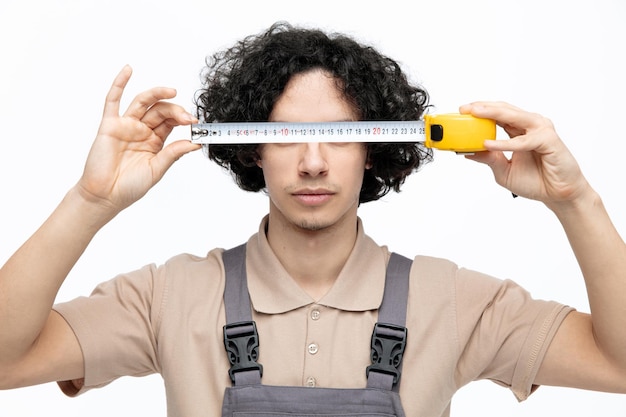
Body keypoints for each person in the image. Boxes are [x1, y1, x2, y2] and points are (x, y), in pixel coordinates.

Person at [0, 22, 624, 417]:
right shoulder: (171, 296)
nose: (313, 162)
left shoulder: (453, 300)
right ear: (250, 146)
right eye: (288, 137)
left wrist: (577, 201)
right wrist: (90, 202)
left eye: (340, 137)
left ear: (376, 146)